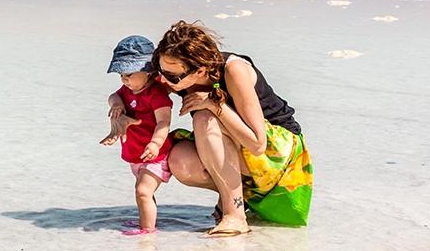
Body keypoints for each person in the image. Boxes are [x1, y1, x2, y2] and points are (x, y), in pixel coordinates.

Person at [114, 21, 313, 236]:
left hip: (280, 154)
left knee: (204, 119)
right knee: (179, 159)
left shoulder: (233, 70)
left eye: (170, 76)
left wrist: (213, 104)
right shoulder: (176, 74)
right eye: (160, 70)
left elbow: (258, 144)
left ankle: (235, 215)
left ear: (199, 71)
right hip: (245, 152)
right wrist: (120, 115)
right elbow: (138, 95)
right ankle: (237, 197)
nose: (161, 79)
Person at [99, 35, 174, 236]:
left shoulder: (156, 93)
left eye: (129, 73)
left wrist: (156, 143)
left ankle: (147, 231)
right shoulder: (127, 90)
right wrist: (116, 104)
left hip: (156, 154)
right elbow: (113, 96)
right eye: (121, 75)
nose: (124, 79)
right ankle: (146, 221)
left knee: (143, 191)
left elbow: (164, 121)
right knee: (143, 194)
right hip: (136, 154)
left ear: (148, 71)